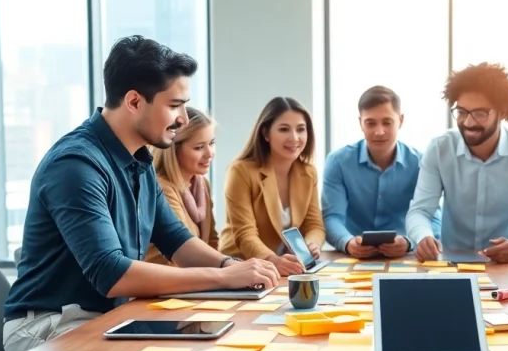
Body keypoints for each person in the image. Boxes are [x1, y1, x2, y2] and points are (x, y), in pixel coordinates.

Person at [3, 36, 278, 351]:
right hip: (50, 324)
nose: (184, 120)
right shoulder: (76, 165)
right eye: (175, 106)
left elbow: (175, 239)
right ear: (134, 102)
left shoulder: (138, 158)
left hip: (108, 315)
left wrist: (232, 266)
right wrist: (223, 276)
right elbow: (111, 273)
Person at [406, 62, 508, 263]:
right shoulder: (439, 148)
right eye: (461, 112)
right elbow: (420, 211)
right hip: (453, 264)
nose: (468, 123)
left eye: (480, 113)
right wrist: (423, 236)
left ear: (502, 112)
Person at [322, 86, 440, 259]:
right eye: (370, 123)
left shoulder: (421, 162)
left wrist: (409, 242)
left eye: (387, 122)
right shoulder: (338, 162)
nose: (379, 131)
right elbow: (332, 216)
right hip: (352, 257)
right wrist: (347, 242)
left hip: (405, 256)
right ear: (360, 122)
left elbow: (434, 217)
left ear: (400, 120)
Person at [218, 97, 326, 276]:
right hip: (241, 266)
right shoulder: (241, 171)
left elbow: (315, 225)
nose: (294, 138)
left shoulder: (308, 172)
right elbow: (245, 234)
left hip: (286, 268)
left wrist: (311, 244)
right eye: (284, 129)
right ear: (266, 133)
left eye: (301, 129)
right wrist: (273, 261)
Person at [144, 107, 219, 264]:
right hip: (168, 281)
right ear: (174, 150)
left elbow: (212, 241)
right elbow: (183, 246)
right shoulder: (162, 188)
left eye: (211, 143)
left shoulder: (201, 184)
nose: (209, 153)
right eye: (199, 147)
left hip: (197, 278)